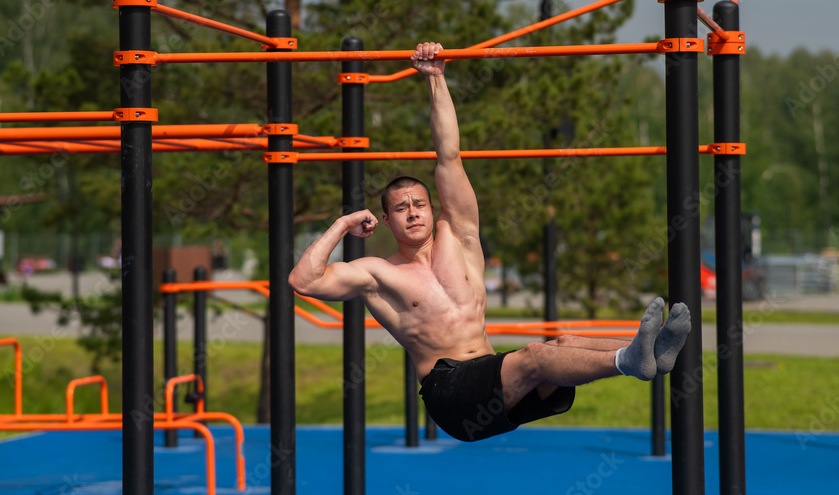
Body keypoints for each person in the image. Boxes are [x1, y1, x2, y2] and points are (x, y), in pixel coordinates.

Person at [289, 42, 691, 442]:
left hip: (491, 381)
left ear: (432, 210)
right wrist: (342, 224)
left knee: (564, 344)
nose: (412, 212)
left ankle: (651, 349)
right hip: (449, 393)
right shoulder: (377, 274)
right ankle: (631, 361)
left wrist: (436, 78)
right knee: (535, 357)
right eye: (400, 208)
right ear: (387, 219)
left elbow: (448, 155)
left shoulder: (460, 236)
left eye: (419, 204)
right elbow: (303, 281)